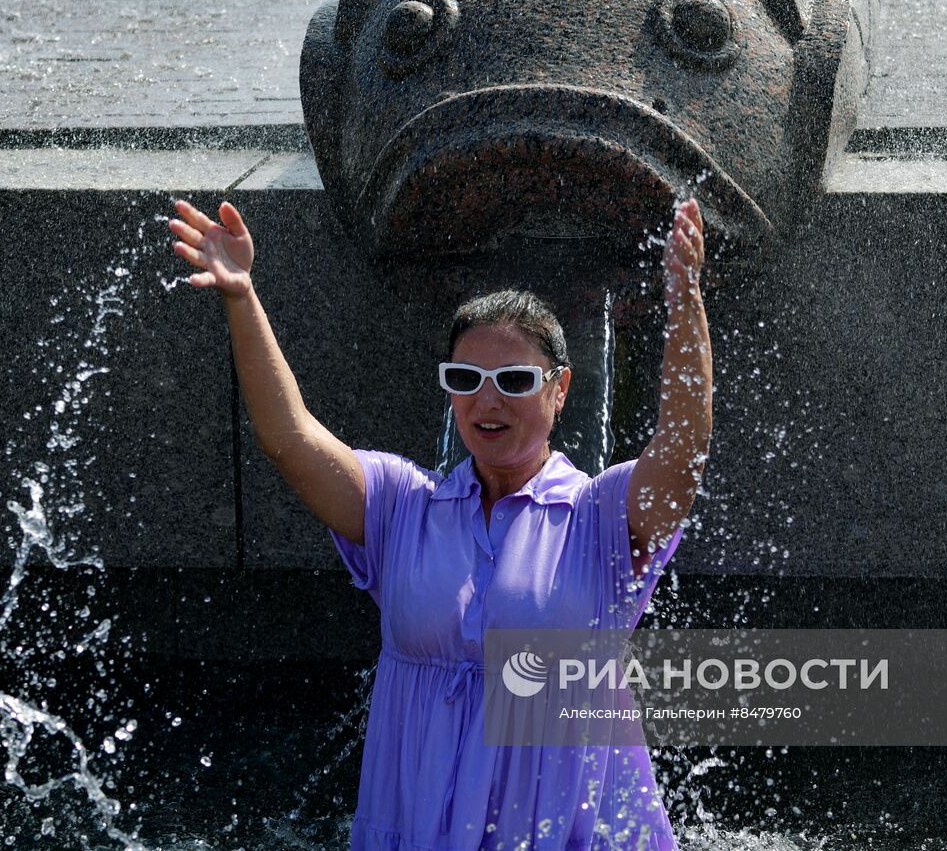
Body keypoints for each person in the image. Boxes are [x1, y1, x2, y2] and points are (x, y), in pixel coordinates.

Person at [169, 196, 713, 849]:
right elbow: (288, 437)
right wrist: (241, 296)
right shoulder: (403, 505)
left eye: (514, 379)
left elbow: (683, 453)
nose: (488, 399)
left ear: (561, 387)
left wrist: (687, 305)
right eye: (467, 377)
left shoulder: (599, 515)